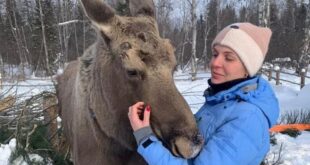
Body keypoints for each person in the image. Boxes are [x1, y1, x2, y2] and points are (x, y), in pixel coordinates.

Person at [128, 22, 280, 165]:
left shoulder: (248, 119)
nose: (215, 63)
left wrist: (145, 138)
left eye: (228, 58)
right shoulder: (221, 101)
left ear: (248, 68)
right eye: (215, 54)